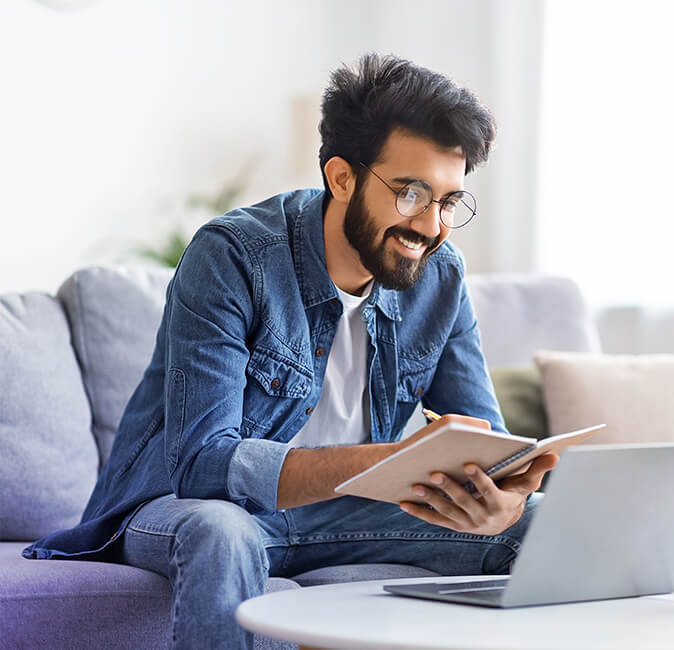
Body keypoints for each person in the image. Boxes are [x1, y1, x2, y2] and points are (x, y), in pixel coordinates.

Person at [23, 53, 557, 649]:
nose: (431, 227)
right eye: (410, 193)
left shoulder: (441, 277)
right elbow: (203, 466)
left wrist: (502, 502)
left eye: (449, 202)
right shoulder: (232, 256)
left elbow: (496, 451)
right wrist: (391, 462)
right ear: (341, 177)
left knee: (543, 527)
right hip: (181, 507)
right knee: (222, 531)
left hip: (332, 517)